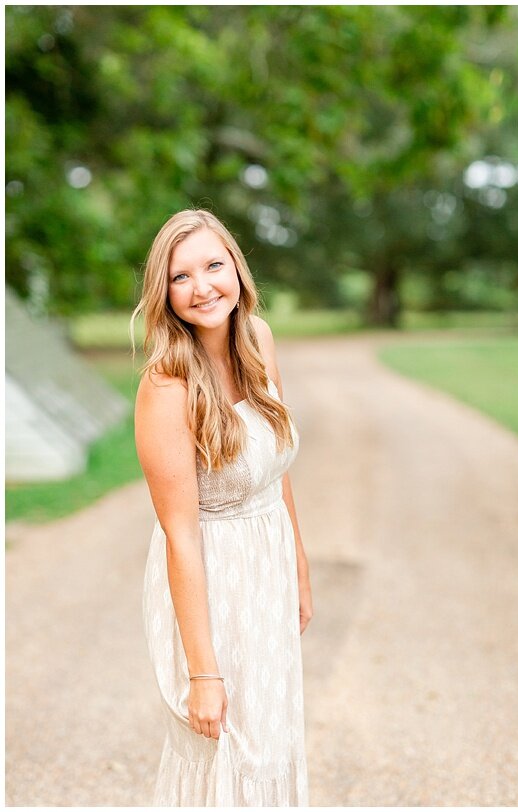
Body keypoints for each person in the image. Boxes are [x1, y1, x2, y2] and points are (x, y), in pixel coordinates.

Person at [133, 209, 312, 805]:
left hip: (268, 564)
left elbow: (275, 470)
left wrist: (299, 571)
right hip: (211, 579)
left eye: (214, 265)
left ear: (237, 267)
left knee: (272, 741)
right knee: (227, 747)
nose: (203, 286)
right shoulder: (167, 386)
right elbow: (180, 535)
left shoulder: (257, 340)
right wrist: (202, 672)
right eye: (182, 276)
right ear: (165, 292)